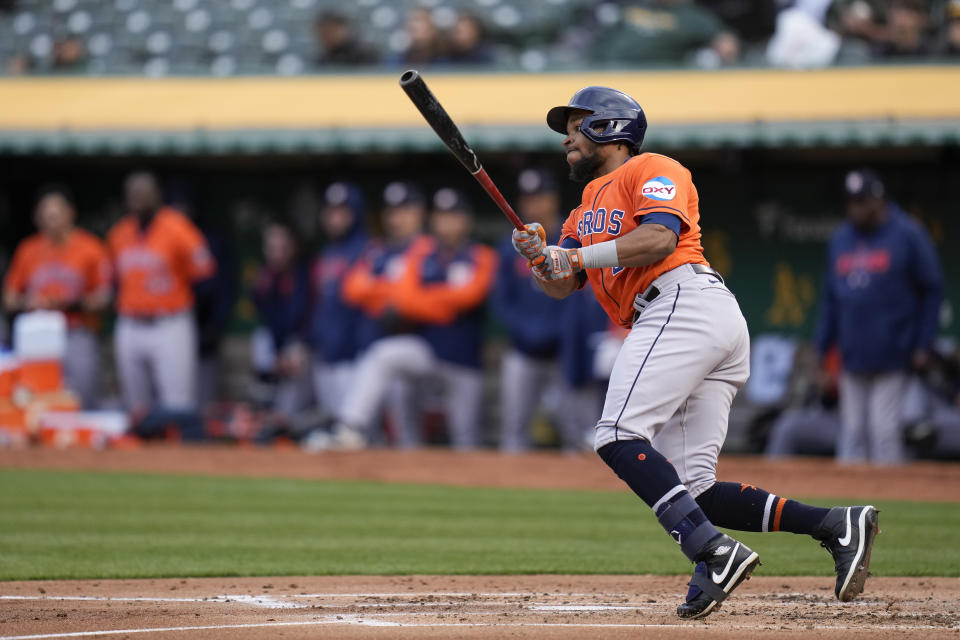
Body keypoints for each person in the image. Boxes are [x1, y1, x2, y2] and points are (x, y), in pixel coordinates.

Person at [510, 86, 879, 619]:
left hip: (682, 301)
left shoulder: (652, 168)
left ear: (610, 128)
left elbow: (660, 238)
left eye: (575, 125)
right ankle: (834, 525)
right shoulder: (581, 210)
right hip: (686, 318)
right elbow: (562, 284)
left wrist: (571, 256)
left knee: (616, 435)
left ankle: (711, 549)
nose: (566, 137)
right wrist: (542, 260)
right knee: (697, 490)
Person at [310, 185, 496, 450]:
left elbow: (470, 296)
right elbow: (400, 296)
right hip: (428, 351)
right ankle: (350, 427)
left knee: (466, 438)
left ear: (466, 219)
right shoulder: (423, 253)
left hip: (463, 359)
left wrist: (425, 302)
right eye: (441, 215)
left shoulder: (481, 255)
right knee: (384, 355)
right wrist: (441, 305)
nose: (446, 222)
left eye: (453, 215)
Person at [815, 168, 943, 465]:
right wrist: (822, 350)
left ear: (878, 200)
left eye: (861, 201)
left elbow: (932, 290)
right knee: (852, 434)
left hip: (894, 354)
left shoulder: (908, 233)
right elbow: (831, 300)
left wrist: (923, 343)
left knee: (884, 432)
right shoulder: (841, 239)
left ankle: (887, 507)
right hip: (853, 355)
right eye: (851, 201)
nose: (855, 208)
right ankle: (849, 508)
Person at [107, 171, 215, 417]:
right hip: (130, 323)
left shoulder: (178, 227)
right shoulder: (119, 233)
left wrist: (192, 314)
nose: (138, 198)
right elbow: (112, 281)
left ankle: (176, 455)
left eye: (144, 192)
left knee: (177, 404)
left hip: (170, 323)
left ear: (157, 195)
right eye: (133, 193)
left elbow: (205, 277)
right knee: (136, 407)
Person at [3, 186, 112, 408]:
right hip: (37, 333)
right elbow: (9, 298)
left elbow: (104, 298)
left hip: (77, 331)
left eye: (56, 214)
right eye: (45, 216)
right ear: (37, 218)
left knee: (82, 399)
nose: (51, 220)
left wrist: (63, 303)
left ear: (70, 213)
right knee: (36, 399)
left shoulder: (90, 247)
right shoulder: (28, 249)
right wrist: (28, 302)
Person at [310, 182, 368, 419]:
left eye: (342, 211)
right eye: (330, 211)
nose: (334, 218)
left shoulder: (367, 249)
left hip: (354, 359)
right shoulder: (327, 253)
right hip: (325, 357)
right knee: (332, 432)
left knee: (354, 432)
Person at [250, 220, 314, 427]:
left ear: (294, 246)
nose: (277, 253)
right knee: (260, 340)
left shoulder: (307, 272)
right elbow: (271, 323)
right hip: (282, 353)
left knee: (292, 412)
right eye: (272, 248)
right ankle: (265, 411)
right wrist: (278, 353)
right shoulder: (266, 278)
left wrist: (300, 346)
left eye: (283, 247)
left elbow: (311, 317)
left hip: (311, 352)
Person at [313, 10, 379, 66]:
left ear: (343, 29)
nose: (326, 37)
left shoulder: (365, 53)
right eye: (322, 33)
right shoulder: (324, 58)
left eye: (329, 31)